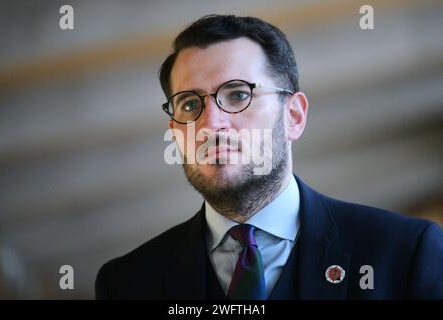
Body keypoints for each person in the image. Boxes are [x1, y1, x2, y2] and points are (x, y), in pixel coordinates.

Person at [95, 14, 443, 299]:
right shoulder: (127, 284)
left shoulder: (404, 253)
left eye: (237, 94)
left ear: (293, 116)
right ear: (175, 131)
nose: (211, 123)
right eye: (189, 104)